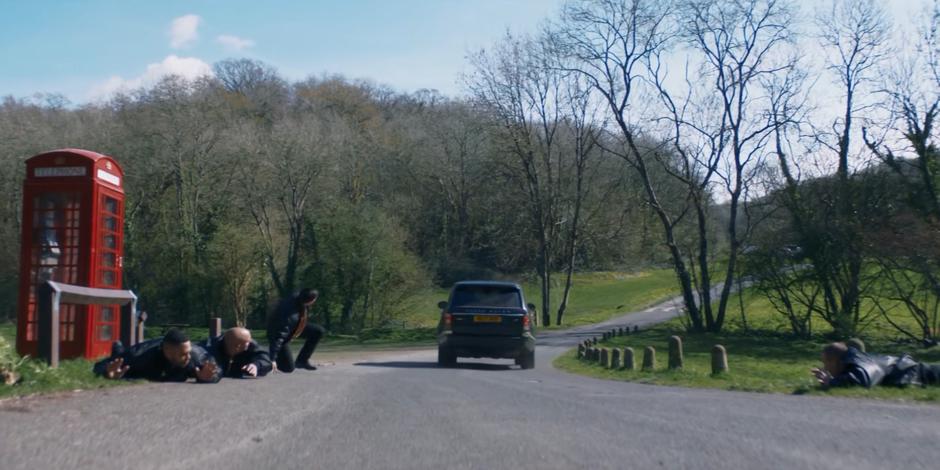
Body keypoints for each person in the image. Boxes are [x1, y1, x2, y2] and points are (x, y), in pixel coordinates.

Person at [93, 328, 219, 383]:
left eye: (188, 352)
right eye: (183, 354)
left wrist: (208, 378)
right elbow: (100, 365)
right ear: (168, 351)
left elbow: (217, 368)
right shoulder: (139, 354)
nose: (188, 357)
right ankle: (118, 347)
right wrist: (107, 373)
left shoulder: (194, 355)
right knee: (121, 355)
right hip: (137, 359)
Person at [811, 342, 940, 388]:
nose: (825, 367)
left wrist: (831, 383)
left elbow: (862, 378)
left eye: (826, 363)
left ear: (836, 361)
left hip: (921, 373)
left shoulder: (862, 364)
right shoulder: (853, 361)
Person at [267, 288, 325, 372]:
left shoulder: (298, 297)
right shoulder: (290, 316)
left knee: (317, 331)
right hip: (277, 334)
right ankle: (263, 359)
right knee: (288, 368)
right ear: (311, 300)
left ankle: (302, 361)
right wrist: (272, 359)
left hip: (295, 327)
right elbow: (279, 338)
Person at [201, 327, 273, 379]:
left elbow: (266, 359)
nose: (250, 342)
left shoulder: (251, 346)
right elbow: (195, 356)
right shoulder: (210, 347)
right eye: (247, 342)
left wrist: (257, 365)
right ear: (237, 346)